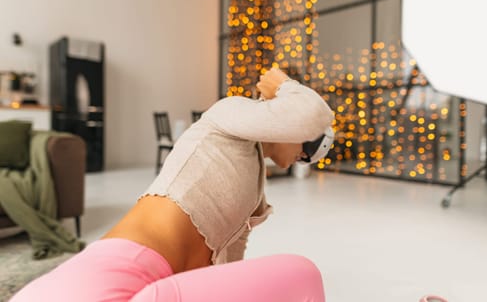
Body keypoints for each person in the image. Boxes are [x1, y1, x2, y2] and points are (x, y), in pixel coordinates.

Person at [10, 67, 334, 302]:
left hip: (147, 285)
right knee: (303, 272)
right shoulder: (229, 113)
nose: (304, 159)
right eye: (311, 149)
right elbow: (312, 115)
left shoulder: (254, 188)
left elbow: (230, 264)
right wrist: (284, 84)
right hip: (117, 275)